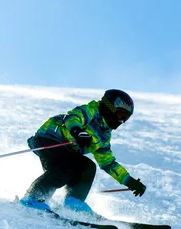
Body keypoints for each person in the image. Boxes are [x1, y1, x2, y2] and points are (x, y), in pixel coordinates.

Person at [19, 89, 147, 213]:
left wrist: (130, 181)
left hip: (68, 151)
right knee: (66, 165)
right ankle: (33, 198)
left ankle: (74, 202)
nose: (121, 121)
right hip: (50, 138)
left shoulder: (104, 135)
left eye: (125, 118)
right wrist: (77, 131)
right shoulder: (92, 111)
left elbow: (108, 163)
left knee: (88, 167)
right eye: (120, 115)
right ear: (110, 107)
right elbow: (73, 117)